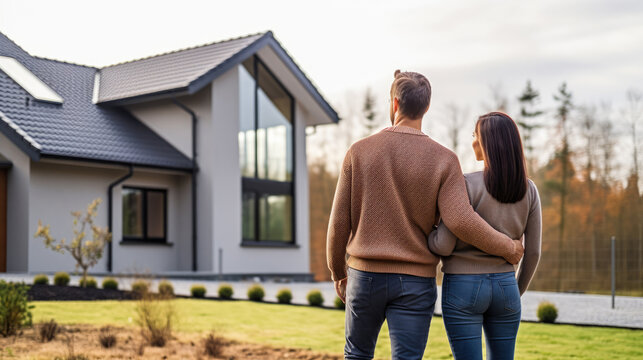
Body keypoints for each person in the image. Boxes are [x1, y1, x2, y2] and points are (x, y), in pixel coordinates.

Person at [326, 70, 525, 360]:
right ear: (427, 107)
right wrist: (509, 247)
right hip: (415, 282)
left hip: (364, 275)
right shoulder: (445, 159)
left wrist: (338, 272)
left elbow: (339, 223)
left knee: (357, 354)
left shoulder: (358, 152)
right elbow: (460, 220)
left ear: (394, 103)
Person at [428, 112, 542, 360]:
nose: (473, 142)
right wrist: (515, 290)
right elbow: (533, 252)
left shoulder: (465, 185)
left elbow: (444, 246)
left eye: (475, 136)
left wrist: (429, 234)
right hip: (506, 286)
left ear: (489, 143)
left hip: (463, 287)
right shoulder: (529, 190)